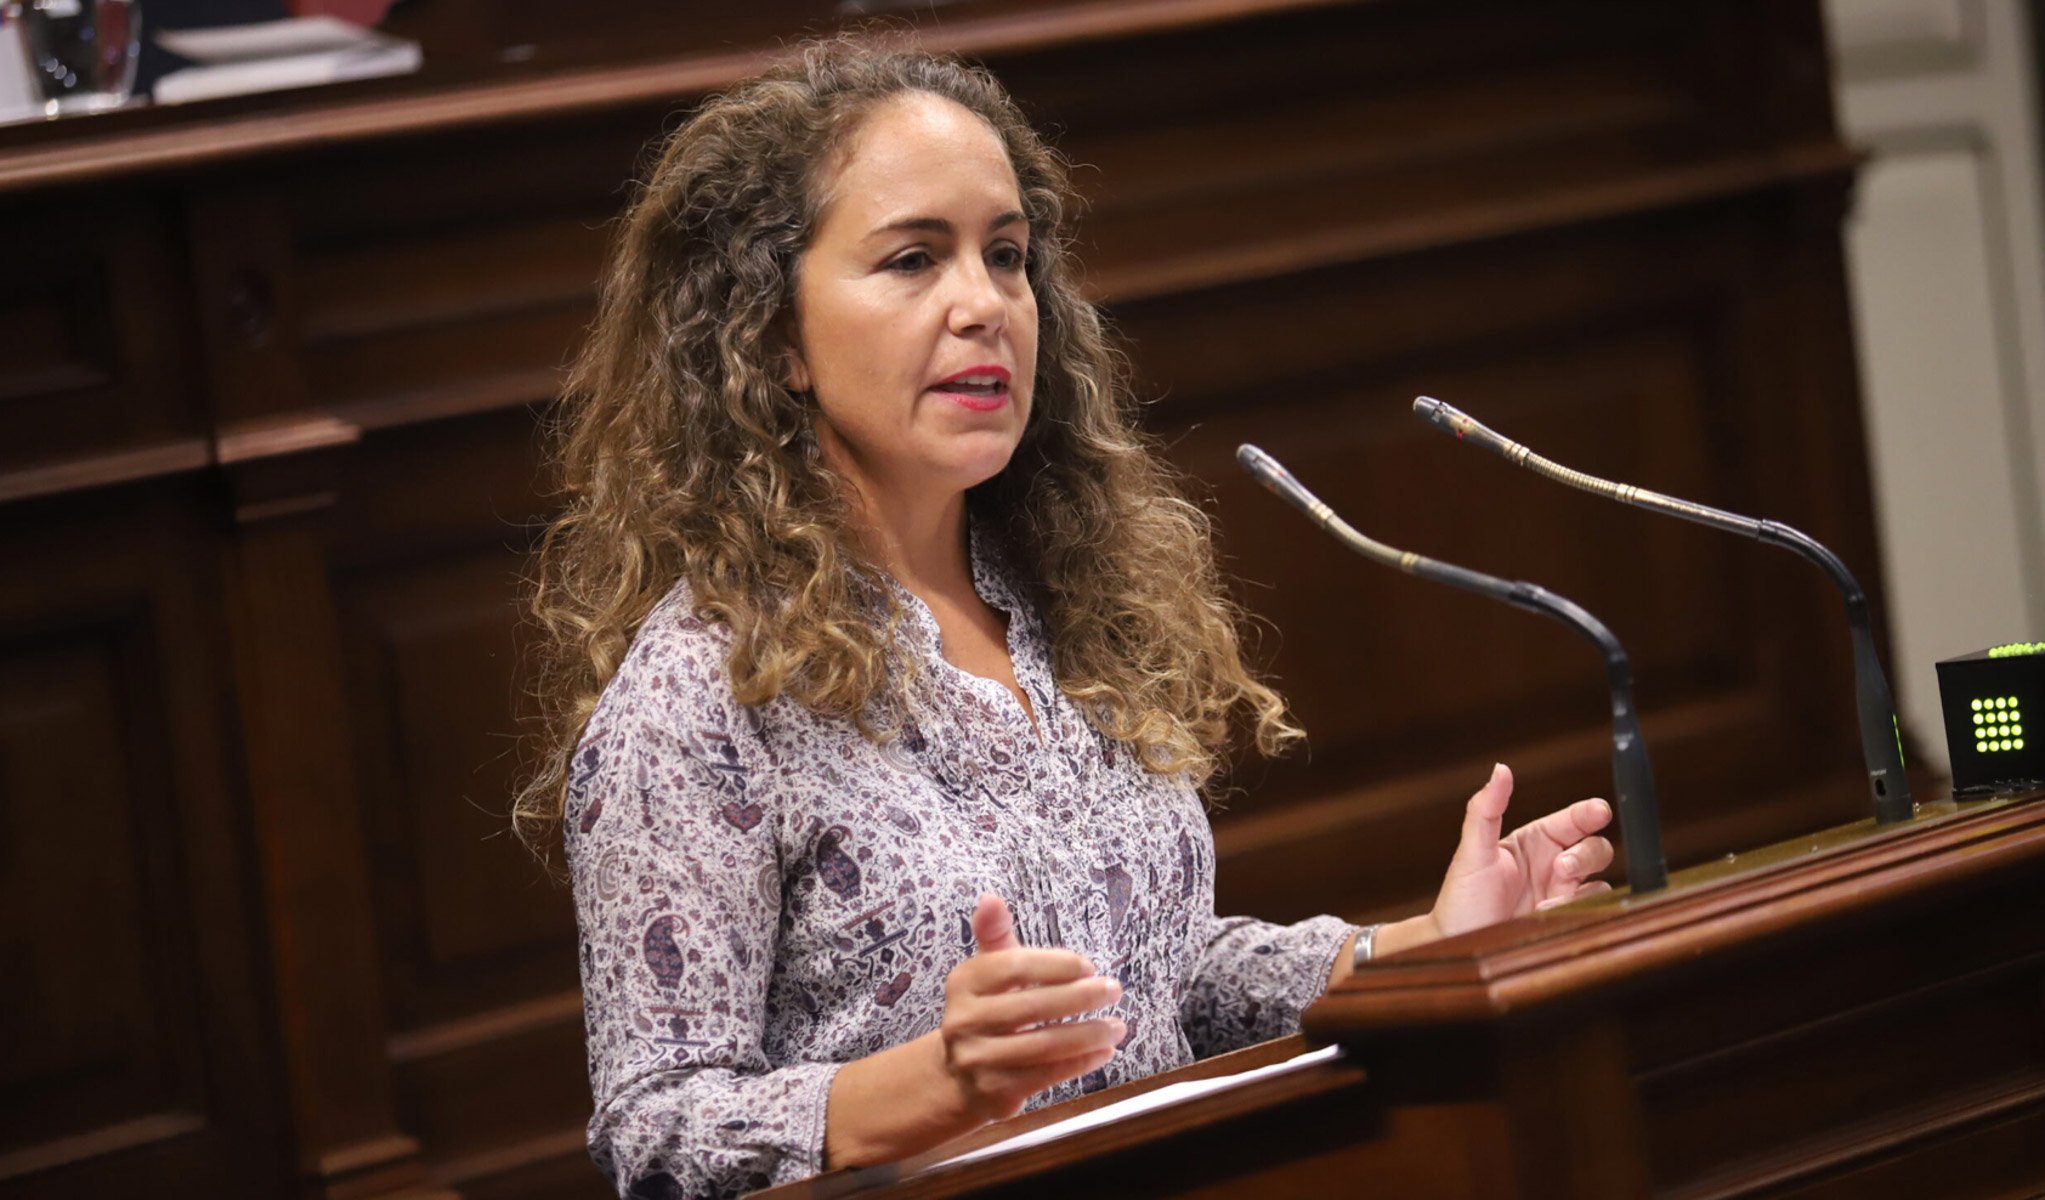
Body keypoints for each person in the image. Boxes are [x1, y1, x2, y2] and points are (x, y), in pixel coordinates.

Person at [515, 34, 1616, 1200]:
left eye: (1005, 256)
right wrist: (929, 1085)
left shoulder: (1064, 599)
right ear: (772, 335)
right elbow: (657, 1130)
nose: (984, 305)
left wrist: (1418, 949)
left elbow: (1157, 977)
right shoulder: (701, 692)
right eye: (912, 260)